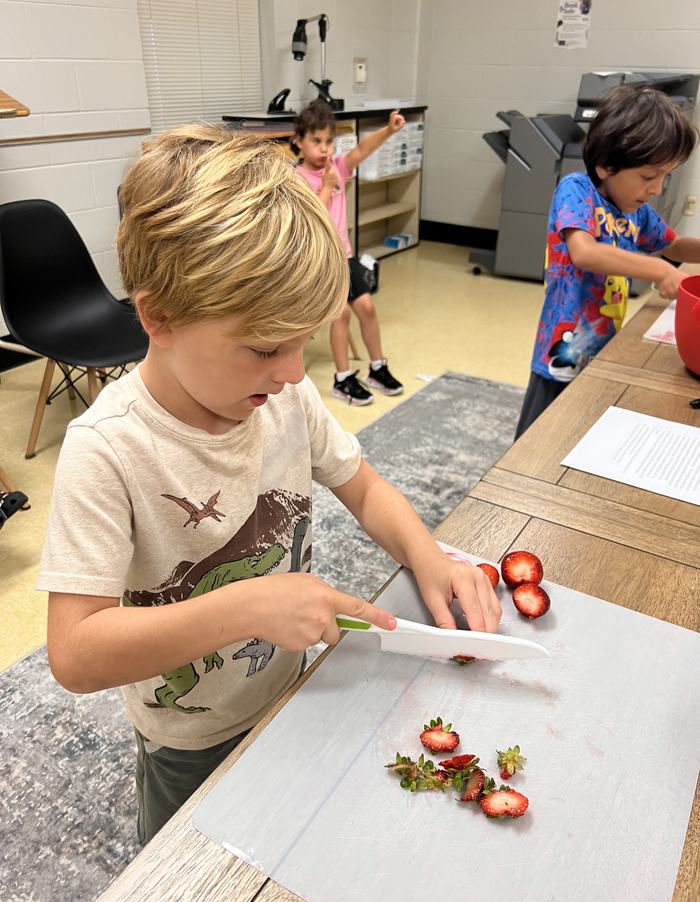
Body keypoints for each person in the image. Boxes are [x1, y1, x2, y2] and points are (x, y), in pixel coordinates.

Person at [37, 125, 501, 846]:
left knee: (296, 839)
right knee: (195, 872)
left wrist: (430, 556)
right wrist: (246, 604)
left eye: (302, 341)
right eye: (264, 347)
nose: (293, 371)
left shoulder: (282, 396)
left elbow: (368, 489)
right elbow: (75, 651)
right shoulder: (108, 450)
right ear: (158, 315)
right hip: (190, 741)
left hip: (293, 687)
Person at [514, 85, 700, 439]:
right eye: (648, 177)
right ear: (605, 166)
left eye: (666, 176)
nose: (657, 189)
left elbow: (674, 246)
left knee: (579, 432)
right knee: (536, 438)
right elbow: (584, 252)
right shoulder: (576, 190)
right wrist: (658, 269)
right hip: (561, 352)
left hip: (603, 345)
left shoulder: (636, 212)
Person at [292, 100, 405, 405]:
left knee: (366, 307)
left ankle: (377, 368)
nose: (324, 149)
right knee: (340, 313)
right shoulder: (298, 179)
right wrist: (327, 187)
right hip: (317, 263)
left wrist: (388, 131)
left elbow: (361, 151)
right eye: (316, 141)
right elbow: (313, 218)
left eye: (329, 141)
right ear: (299, 142)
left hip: (344, 256)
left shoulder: (337, 167)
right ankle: (342, 379)